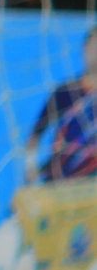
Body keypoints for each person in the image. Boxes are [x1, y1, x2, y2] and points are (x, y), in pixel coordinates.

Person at [32, 27, 97, 181]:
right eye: (93, 47)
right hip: (60, 182)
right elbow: (35, 135)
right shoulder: (65, 91)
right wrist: (30, 167)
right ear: (84, 50)